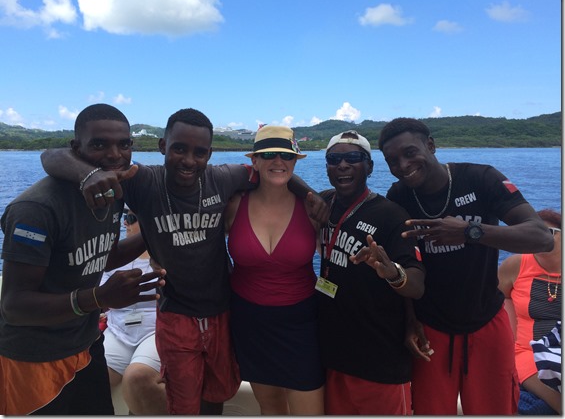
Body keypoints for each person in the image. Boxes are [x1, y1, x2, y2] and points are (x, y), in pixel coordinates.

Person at [40, 107, 328, 415]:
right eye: (179, 149)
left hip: (222, 310)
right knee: (183, 401)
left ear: (209, 154)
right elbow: (50, 156)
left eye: (199, 152)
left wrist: (311, 194)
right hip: (176, 313)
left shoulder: (223, 178)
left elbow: (276, 172)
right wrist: (89, 175)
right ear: (162, 146)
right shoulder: (142, 180)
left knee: (218, 393)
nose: (189, 160)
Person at [377, 117, 554, 415]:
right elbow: (405, 263)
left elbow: (541, 237)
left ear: (430, 145)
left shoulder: (480, 178)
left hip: (486, 322)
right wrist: (409, 320)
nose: (403, 165)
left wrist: (470, 231)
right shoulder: (399, 196)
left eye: (410, 152)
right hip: (430, 328)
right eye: (392, 161)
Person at [0, 103, 164, 415]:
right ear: (76, 148)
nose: (115, 155)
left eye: (124, 144)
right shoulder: (36, 209)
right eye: (99, 145)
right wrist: (99, 297)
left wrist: (157, 230)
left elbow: (103, 256)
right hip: (34, 358)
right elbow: (14, 306)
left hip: (86, 345)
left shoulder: (112, 192)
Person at [315, 130, 425, 415]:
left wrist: (392, 272)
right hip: (331, 355)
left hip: (379, 359)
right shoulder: (323, 204)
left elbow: (416, 285)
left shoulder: (391, 215)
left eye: (353, 158)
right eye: (333, 159)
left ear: (370, 166)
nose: (342, 165)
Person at [224, 125, 325, 415]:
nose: (278, 161)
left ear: (295, 161)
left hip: (302, 324)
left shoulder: (313, 209)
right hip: (249, 322)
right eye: (268, 155)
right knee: (270, 408)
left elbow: (336, 260)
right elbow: (205, 250)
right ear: (254, 161)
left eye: (286, 155)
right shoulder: (234, 204)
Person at [101, 206, 167, 415]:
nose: (125, 223)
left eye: (131, 218)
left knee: (138, 378)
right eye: (124, 217)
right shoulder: (110, 258)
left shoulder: (167, 255)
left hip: (156, 330)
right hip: (118, 330)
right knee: (89, 377)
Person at [498, 209, 561, 415]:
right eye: (532, 233)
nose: (538, 239)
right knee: (542, 408)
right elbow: (492, 300)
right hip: (528, 354)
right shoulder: (515, 266)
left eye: (548, 233)